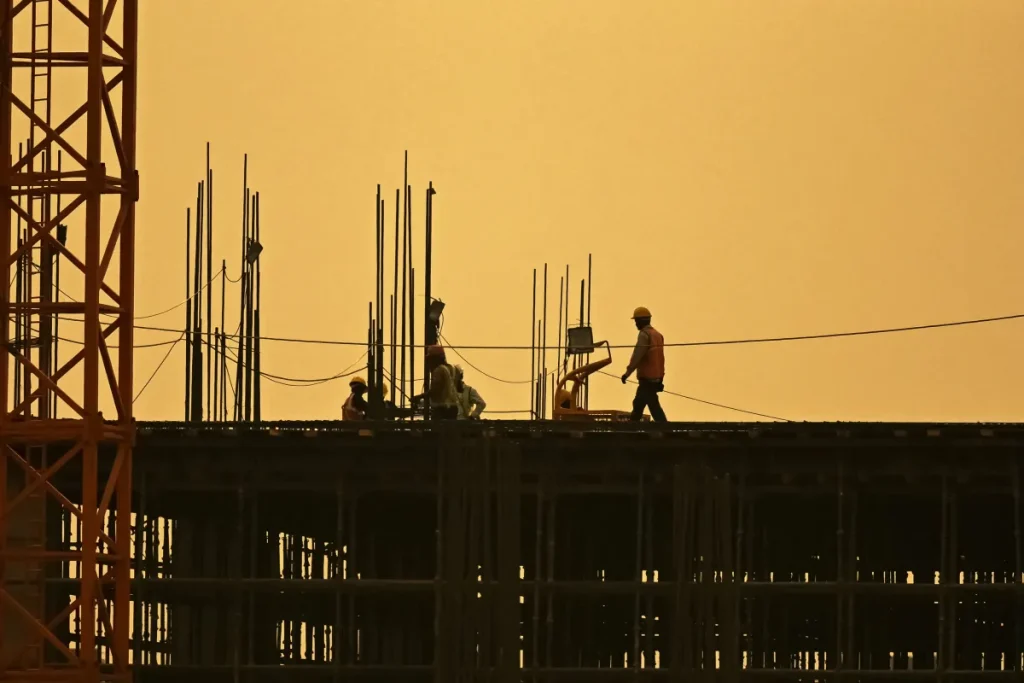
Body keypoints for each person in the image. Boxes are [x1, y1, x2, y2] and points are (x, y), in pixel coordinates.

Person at [620, 306, 667, 422]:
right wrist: (661, 378)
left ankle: (663, 426)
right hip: (656, 378)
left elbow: (637, 356)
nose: (635, 324)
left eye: (636, 321)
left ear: (640, 321)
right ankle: (634, 424)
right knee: (644, 403)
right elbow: (661, 359)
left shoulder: (644, 335)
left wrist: (627, 373)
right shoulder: (657, 335)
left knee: (647, 405)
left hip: (647, 378)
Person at [413, 345, 459, 419]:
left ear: (435, 358)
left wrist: (420, 397)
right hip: (453, 407)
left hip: (441, 408)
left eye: (430, 359)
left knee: (437, 429)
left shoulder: (439, 370)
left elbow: (435, 390)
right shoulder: (451, 368)